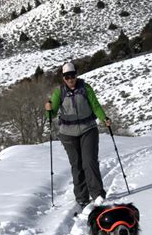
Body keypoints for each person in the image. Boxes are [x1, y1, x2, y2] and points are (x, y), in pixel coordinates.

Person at [45, 61, 111, 209]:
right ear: (63, 78)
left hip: (88, 129)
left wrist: (104, 118)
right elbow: (52, 113)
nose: (70, 79)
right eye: (67, 76)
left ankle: (98, 194)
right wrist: (48, 109)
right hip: (68, 134)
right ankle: (81, 197)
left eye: (72, 75)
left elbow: (95, 106)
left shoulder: (85, 88)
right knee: (77, 164)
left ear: (76, 75)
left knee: (89, 161)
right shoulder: (59, 92)